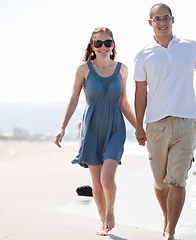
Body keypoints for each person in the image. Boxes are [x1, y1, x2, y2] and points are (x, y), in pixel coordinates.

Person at [134, 4, 196, 240]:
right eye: (157, 19)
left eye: (166, 18)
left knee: (177, 179)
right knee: (160, 183)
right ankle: (167, 220)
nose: (162, 22)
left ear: (173, 19)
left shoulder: (190, 47)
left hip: (186, 122)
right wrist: (139, 125)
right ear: (150, 23)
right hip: (156, 124)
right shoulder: (143, 54)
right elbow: (140, 94)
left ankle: (170, 231)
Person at [55, 27, 136, 236]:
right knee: (97, 184)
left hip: (115, 128)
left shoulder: (122, 69)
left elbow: (124, 103)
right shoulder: (84, 69)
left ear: (113, 45)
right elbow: (73, 99)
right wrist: (62, 127)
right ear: (92, 46)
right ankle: (102, 221)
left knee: (107, 179)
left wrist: (140, 128)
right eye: (98, 43)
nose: (103, 47)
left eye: (107, 43)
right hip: (91, 129)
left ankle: (110, 212)